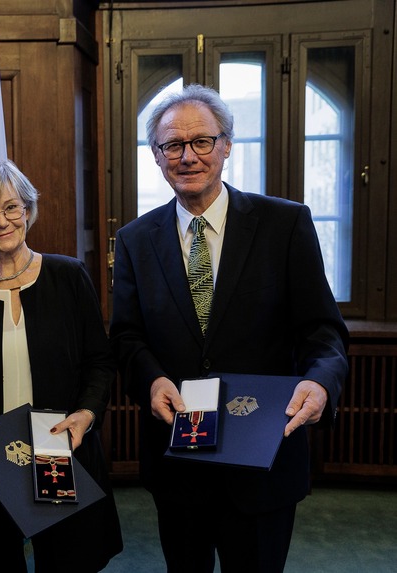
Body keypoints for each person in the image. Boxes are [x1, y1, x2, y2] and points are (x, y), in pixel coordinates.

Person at [110, 84, 349, 573]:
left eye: (202, 141)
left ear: (226, 145)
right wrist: (151, 379)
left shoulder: (285, 224)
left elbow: (322, 332)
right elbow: (127, 337)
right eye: (172, 145)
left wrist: (320, 382)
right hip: (179, 459)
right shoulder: (135, 240)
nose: (188, 156)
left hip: (263, 461)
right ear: (157, 156)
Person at [0, 159, 123, 573]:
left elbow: (100, 361)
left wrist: (86, 413)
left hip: (58, 447)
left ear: (28, 209)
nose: (2, 221)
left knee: (66, 560)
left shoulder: (69, 276)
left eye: (11, 207)